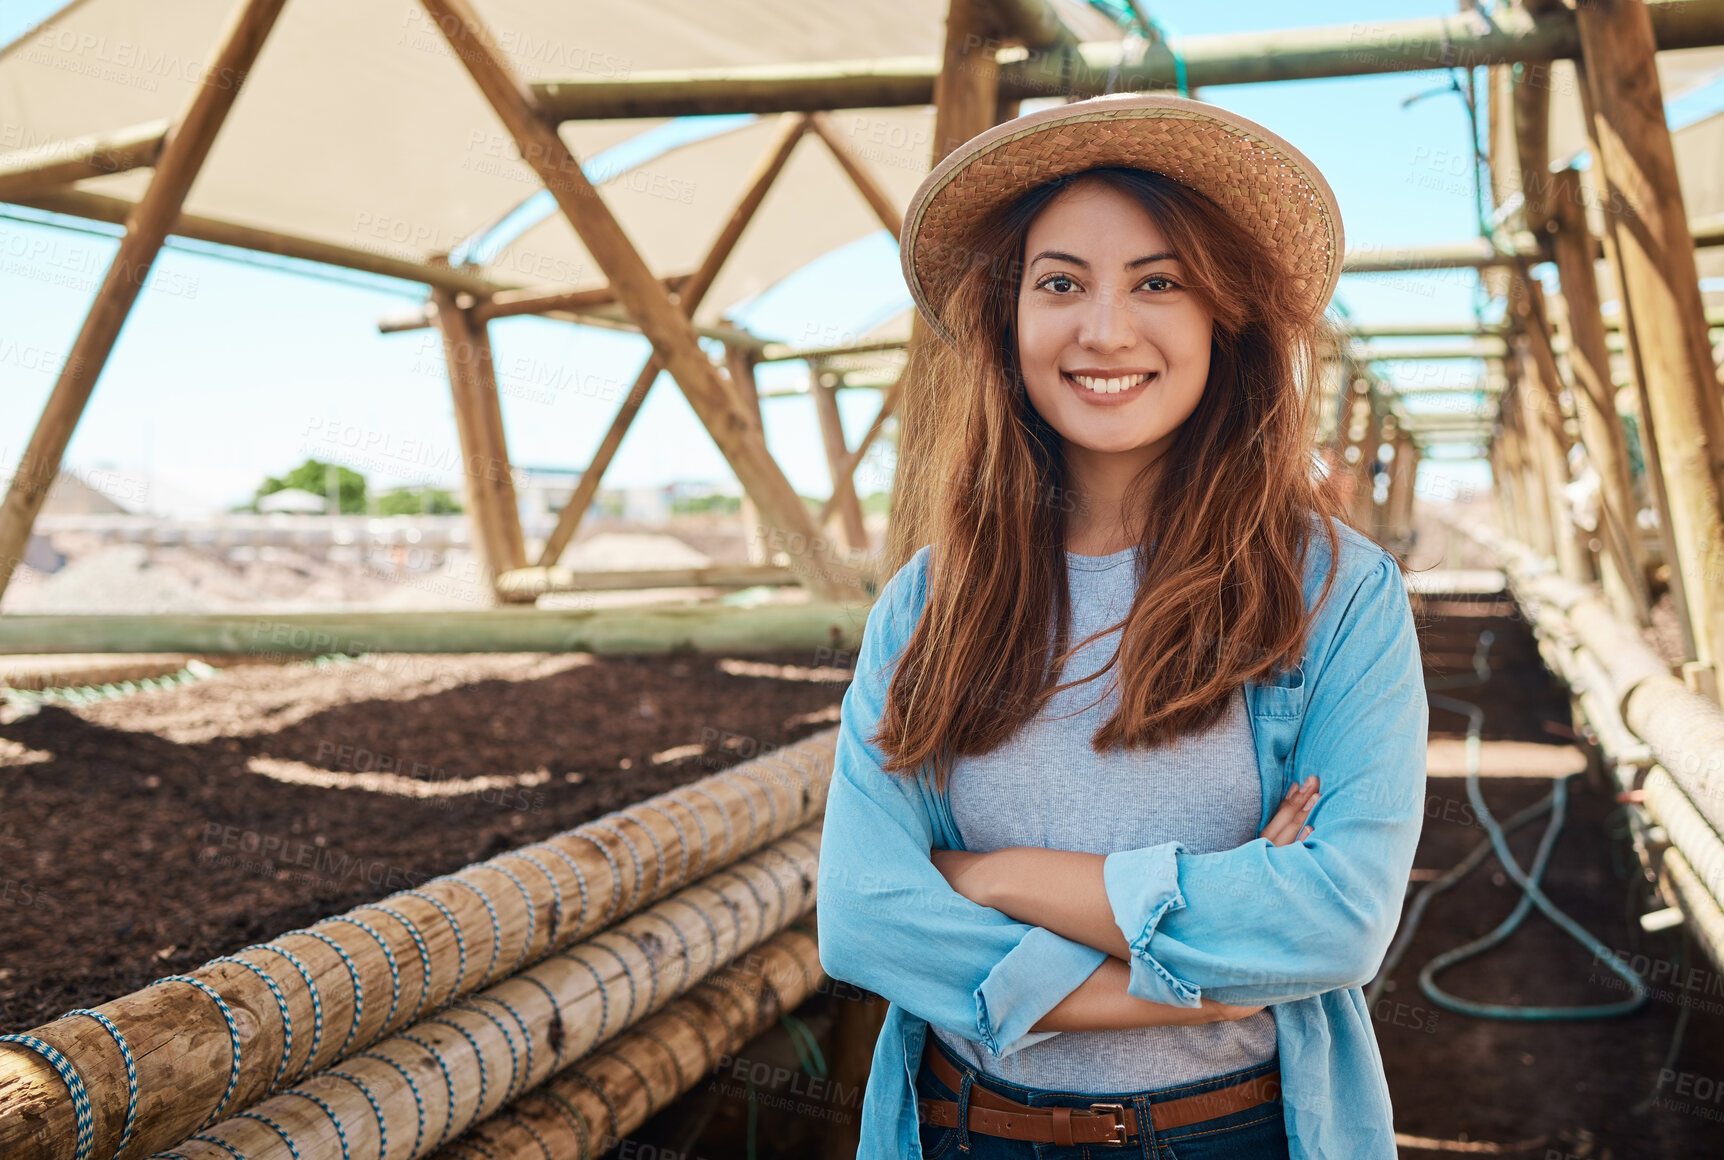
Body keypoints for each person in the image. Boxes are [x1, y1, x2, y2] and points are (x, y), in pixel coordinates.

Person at [816, 93, 1428, 1160]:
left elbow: (1333, 917)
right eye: (1060, 283)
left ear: (1221, 316)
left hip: (1231, 1132)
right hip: (967, 1130)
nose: (1103, 329)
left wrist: (990, 874)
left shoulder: (1331, 591)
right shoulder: (927, 602)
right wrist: (1187, 984)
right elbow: (866, 914)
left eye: (1158, 281)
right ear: (1009, 318)